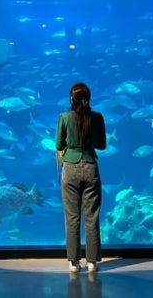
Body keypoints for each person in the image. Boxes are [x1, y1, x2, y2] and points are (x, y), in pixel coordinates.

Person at [55, 82, 107, 273]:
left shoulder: (63, 117)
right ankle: (92, 262)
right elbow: (102, 145)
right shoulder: (97, 117)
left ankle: (74, 262)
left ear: (71, 98)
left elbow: (58, 143)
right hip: (91, 166)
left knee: (72, 217)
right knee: (92, 217)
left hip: (70, 167)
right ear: (89, 97)